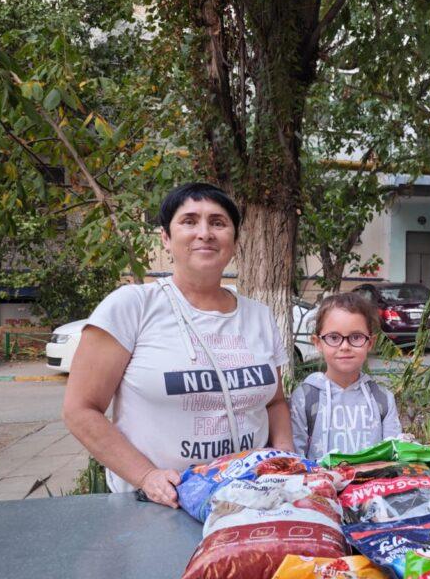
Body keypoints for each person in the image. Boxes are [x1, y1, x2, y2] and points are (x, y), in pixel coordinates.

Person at [63, 182, 293, 508]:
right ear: (166, 238)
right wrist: (146, 476)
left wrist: (285, 457)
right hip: (161, 503)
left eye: (218, 222)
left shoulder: (260, 316)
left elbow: (275, 403)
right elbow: (80, 409)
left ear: (235, 240)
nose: (205, 233)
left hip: (247, 499)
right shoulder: (131, 307)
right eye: (189, 221)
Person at [290, 292, 402, 460]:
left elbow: (395, 457)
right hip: (319, 478)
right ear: (318, 343)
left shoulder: (383, 399)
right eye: (334, 337)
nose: (345, 346)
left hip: (373, 478)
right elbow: (295, 461)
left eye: (356, 337)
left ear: (370, 343)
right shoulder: (304, 398)